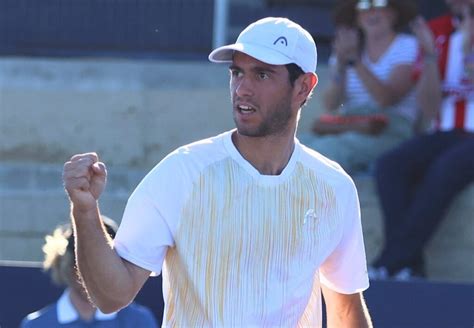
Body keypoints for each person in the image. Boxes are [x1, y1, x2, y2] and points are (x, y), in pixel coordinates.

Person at [63, 17, 372, 327]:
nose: (243, 89)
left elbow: (345, 311)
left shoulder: (334, 187)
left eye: (262, 75)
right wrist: (86, 212)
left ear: (303, 86)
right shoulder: (182, 172)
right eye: (237, 73)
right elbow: (111, 296)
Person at [370, 0, 474, 280]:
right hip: (447, 131)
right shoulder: (436, 30)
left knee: (445, 168)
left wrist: (468, 52)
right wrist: (429, 57)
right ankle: (407, 266)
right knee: (390, 166)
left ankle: (390, 262)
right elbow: (430, 108)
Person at [300, 0, 418, 174]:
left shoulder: (408, 45)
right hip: (349, 124)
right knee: (297, 146)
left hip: (390, 129)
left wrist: (354, 60)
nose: (371, 12)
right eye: (364, 7)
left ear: (393, 13)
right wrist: (341, 63)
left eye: (379, 5)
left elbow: (386, 99)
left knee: (326, 151)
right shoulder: (348, 51)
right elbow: (331, 103)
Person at [20, 216, 158, 327]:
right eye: (82, 262)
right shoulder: (36, 324)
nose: (95, 274)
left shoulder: (140, 321)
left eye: (106, 265)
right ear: (66, 265)